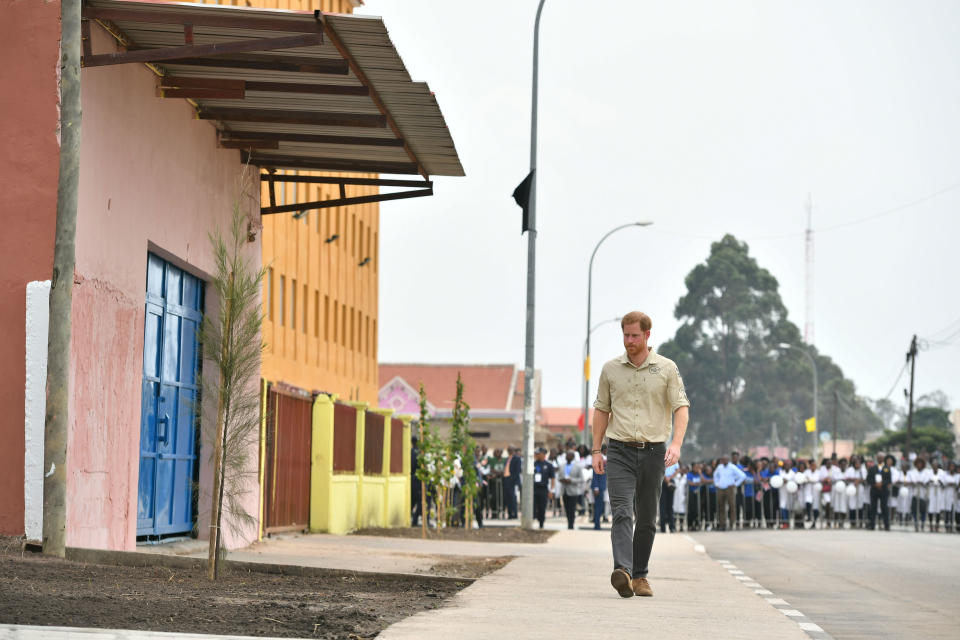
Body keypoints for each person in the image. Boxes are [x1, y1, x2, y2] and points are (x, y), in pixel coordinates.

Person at [592, 311, 690, 598]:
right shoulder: (611, 369)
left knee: (647, 517)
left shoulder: (666, 368)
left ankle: (640, 575)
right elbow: (601, 410)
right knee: (622, 512)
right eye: (626, 335)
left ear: (648, 335)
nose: (629, 341)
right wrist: (596, 449)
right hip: (619, 450)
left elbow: (680, 407)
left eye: (635, 335)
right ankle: (622, 570)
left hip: (654, 452)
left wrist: (677, 444)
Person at [714, 455, 746, 531]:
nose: (724, 461)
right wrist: (717, 483)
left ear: (728, 460)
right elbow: (715, 475)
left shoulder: (732, 467)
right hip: (721, 488)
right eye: (723, 460)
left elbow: (742, 476)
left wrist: (735, 484)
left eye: (725, 460)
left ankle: (732, 523)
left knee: (732, 506)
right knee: (721, 506)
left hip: (729, 488)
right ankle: (722, 524)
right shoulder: (719, 467)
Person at [557, 449, 584, 529]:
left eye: (568, 455)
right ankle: (569, 522)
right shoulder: (562, 466)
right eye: (566, 455)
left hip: (573, 491)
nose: (566, 456)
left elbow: (581, 479)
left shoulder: (578, 466)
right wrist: (562, 479)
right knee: (567, 508)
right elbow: (559, 477)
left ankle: (571, 525)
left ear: (572, 457)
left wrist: (571, 480)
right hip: (564, 490)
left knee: (572, 509)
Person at [868, 454, 893, 531]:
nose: (880, 459)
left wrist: (882, 484)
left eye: (881, 458)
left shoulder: (887, 468)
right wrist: (875, 484)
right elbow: (869, 479)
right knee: (873, 507)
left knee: (884, 507)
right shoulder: (872, 468)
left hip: (883, 490)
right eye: (878, 458)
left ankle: (886, 525)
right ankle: (872, 525)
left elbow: (889, 479)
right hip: (874, 490)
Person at [532, 447, 555, 529]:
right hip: (534, 488)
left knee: (542, 507)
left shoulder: (549, 465)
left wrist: (551, 491)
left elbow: (552, 479)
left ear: (543, 454)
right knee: (534, 506)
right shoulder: (533, 464)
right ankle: (534, 519)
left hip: (543, 489)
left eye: (538, 453)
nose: (536, 455)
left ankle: (541, 523)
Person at [591, 447, 608, 530]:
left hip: (605, 486)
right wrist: (596, 487)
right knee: (598, 507)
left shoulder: (607, 459)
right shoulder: (599, 459)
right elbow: (595, 474)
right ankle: (597, 525)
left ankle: (598, 523)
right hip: (599, 487)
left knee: (602, 507)